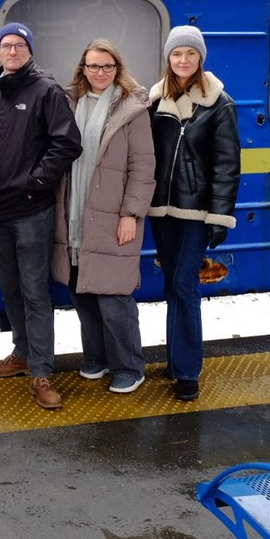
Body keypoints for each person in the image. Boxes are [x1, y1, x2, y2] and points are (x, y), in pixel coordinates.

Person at [0, 22, 81, 410]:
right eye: (6, 46)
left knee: (35, 292)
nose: (12, 51)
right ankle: (21, 353)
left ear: (30, 51)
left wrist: (36, 183)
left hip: (31, 210)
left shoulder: (46, 92)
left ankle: (42, 371)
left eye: (19, 45)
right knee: (10, 288)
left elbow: (67, 143)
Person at [52, 40, 155, 395]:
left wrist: (131, 213)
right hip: (74, 212)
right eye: (93, 66)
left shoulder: (131, 108)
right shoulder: (69, 103)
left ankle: (129, 365)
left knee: (113, 296)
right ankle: (96, 357)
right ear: (83, 69)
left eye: (107, 67)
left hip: (112, 215)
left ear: (117, 69)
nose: (100, 73)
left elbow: (143, 167)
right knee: (82, 289)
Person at [148, 25, 240, 403]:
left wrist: (220, 216)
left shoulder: (219, 103)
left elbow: (226, 164)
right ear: (168, 59)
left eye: (190, 54)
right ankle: (175, 361)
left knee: (185, 285)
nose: (183, 60)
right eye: (176, 54)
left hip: (195, 211)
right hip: (160, 210)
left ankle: (187, 371)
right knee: (172, 284)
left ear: (201, 58)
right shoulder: (154, 100)